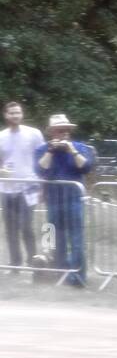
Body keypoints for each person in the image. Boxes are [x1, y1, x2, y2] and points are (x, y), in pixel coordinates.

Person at [34, 114, 96, 286]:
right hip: (53, 200)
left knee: (76, 239)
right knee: (57, 239)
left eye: (67, 130)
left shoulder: (79, 147)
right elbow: (40, 169)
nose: (64, 133)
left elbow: (86, 167)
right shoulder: (42, 149)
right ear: (52, 132)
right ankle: (61, 274)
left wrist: (72, 150)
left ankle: (76, 277)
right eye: (60, 130)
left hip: (74, 199)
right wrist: (50, 151)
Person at [0, 101, 43, 268]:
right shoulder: (1, 136)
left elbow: (42, 160)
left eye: (18, 112)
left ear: (22, 114)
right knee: (11, 229)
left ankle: (33, 262)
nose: (15, 115)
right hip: (7, 189)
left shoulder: (34, 134)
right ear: (6, 115)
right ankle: (14, 264)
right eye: (12, 113)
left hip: (29, 188)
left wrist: (42, 186)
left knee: (26, 226)